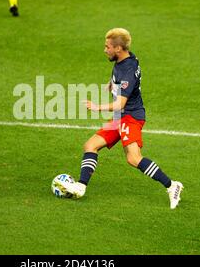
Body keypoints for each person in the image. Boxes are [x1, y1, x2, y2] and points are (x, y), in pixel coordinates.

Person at [55, 28, 184, 209]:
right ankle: (81, 186)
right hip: (120, 118)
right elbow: (119, 74)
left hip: (130, 117)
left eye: (107, 47)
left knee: (133, 158)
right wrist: (111, 84)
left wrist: (96, 107)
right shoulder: (127, 58)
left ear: (118, 48)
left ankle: (172, 186)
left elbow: (119, 105)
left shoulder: (127, 72)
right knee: (90, 146)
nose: (105, 50)